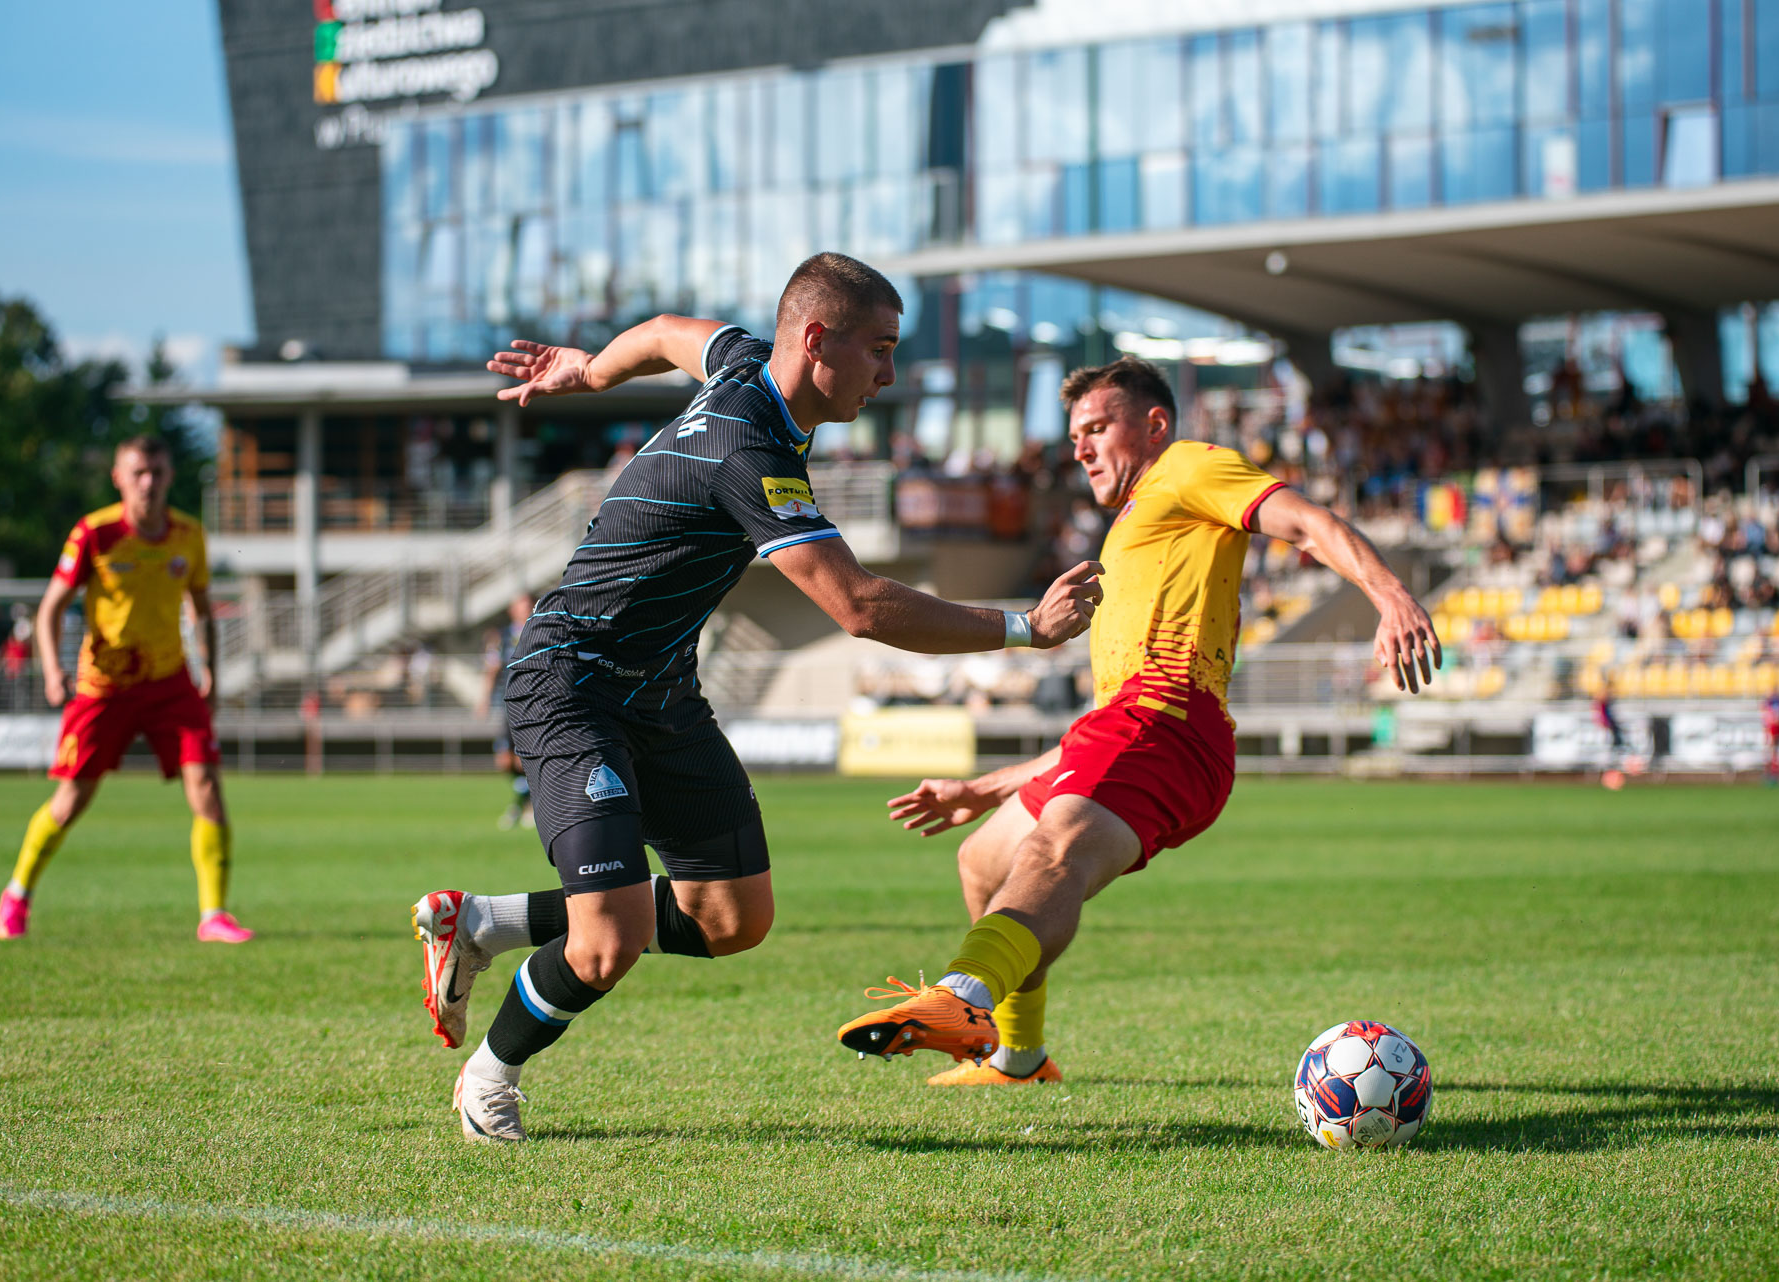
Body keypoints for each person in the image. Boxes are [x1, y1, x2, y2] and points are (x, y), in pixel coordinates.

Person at [410, 252, 1103, 1141]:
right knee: (606, 942)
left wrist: (591, 370)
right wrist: (1024, 628)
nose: (889, 375)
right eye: (880, 349)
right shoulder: (750, 448)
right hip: (572, 682)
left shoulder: (743, 362)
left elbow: (666, 334)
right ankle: (489, 1077)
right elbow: (857, 606)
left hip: (661, 691)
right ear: (816, 339)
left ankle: (481, 922)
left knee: (733, 918)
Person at [837, 356, 1439, 1085]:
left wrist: (1391, 596)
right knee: (984, 861)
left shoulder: (1188, 467)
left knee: (1053, 850)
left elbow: (1308, 524)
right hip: (1129, 725)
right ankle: (1018, 1058)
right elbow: (1102, 730)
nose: (1081, 448)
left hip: (1172, 720)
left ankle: (961, 998)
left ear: (1154, 424)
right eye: (1074, 436)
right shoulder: (1135, 523)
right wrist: (986, 788)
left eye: (1097, 428)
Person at [0, 436, 249, 943]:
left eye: (157, 472)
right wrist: (52, 670)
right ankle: (17, 895)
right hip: (104, 685)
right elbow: (50, 608)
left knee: (207, 787)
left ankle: (214, 914)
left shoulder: (189, 535)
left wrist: (211, 673)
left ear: (170, 476)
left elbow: (201, 609)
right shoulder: (95, 532)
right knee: (72, 798)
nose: (148, 482)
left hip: (170, 681)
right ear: (118, 478)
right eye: (138, 473)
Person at [479, 594, 537, 828]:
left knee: (526, 757)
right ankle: (525, 800)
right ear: (511, 610)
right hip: (507, 703)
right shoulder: (502, 637)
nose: (523, 609)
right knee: (504, 760)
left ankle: (528, 805)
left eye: (527, 605)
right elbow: (492, 668)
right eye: (519, 606)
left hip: (533, 704)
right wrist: (483, 699)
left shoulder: (539, 631)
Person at [1762, 690, 1779, 786]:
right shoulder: (1771, 716)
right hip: (1773, 730)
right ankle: (1771, 774)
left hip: (1776, 730)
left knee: (1776, 753)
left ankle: (1776, 774)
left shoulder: (1777, 719)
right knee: (1772, 752)